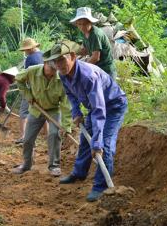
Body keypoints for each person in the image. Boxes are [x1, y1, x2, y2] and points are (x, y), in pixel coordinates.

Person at [45, 40, 127, 202]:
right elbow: (71, 95)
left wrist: (97, 141)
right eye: (56, 61)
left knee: (105, 144)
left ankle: (100, 186)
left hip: (113, 106)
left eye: (62, 59)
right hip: (95, 107)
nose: (59, 65)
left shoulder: (88, 76)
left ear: (73, 57)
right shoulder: (63, 74)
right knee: (85, 141)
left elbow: (99, 110)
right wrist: (76, 112)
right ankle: (79, 173)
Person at [12, 60, 70, 177]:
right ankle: (26, 164)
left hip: (54, 110)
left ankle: (54, 166)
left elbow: (65, 104)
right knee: (27, 139)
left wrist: (66, 125)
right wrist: (28, 95)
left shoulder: (62, 78)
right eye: (49, 71)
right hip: (36, 109)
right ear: (45, 64)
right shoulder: (32, 70)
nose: (51, 75)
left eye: (54, 72)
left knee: (54, 134)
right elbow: (18, 79)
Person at [70, 7, 117, 79]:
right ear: (77, 24)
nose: (82, 27)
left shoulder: (95, 34)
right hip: (97, 69)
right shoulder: (84, 33)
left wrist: (82, 68)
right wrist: (71, 53)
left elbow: (95, 57)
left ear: (90, 23)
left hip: (106, 70)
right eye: (79, 24)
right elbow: (85, 50)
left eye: (85, 24)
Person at [16, 38, 44, 145]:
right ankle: (46, 136)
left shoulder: (30, 58)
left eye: (26, 50)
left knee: (24, 112)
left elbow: (26, 76)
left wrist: (24, 87)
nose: (25, 52)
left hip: (31, 89)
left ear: (31, 48)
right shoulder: (43, 55)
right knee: (42, 113)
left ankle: (24, 137)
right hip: (43, 90)